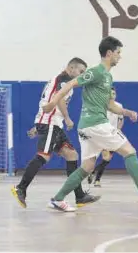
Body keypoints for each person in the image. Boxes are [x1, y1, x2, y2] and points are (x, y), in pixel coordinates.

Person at [43, 36, 138, 212]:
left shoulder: (107, 77)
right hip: (96, 124)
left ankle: (57, 199)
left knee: (87, 166)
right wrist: (52, 103)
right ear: (109, 53)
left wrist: (127, 112)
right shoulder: (96, 71)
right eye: (118, 53)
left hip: (88, 127)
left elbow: (109, 105)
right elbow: (69, 85)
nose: (120, 57)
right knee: (130, 151)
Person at [11, 57, 100, 208]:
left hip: (50, 123)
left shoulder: (62, 80)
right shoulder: (64, 80)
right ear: (71, 68)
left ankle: (79, 196)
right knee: (43, 156)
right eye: (81, 71)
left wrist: (37, 126)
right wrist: (67, 118)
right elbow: (58, 99)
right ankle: (21, 188)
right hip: (50, 122)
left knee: (72, 155)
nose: (81, 75)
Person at [87, 86, 124, 187]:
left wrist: (118, 130)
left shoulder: (119, 106)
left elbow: (120, 119)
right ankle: (97, 179)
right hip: (103, 135)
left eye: (114, 94)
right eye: (110, 94)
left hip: (113, 135)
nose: (112, 96)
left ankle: (94, 174)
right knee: (106, 157)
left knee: (107, 159)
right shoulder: (101, 106)